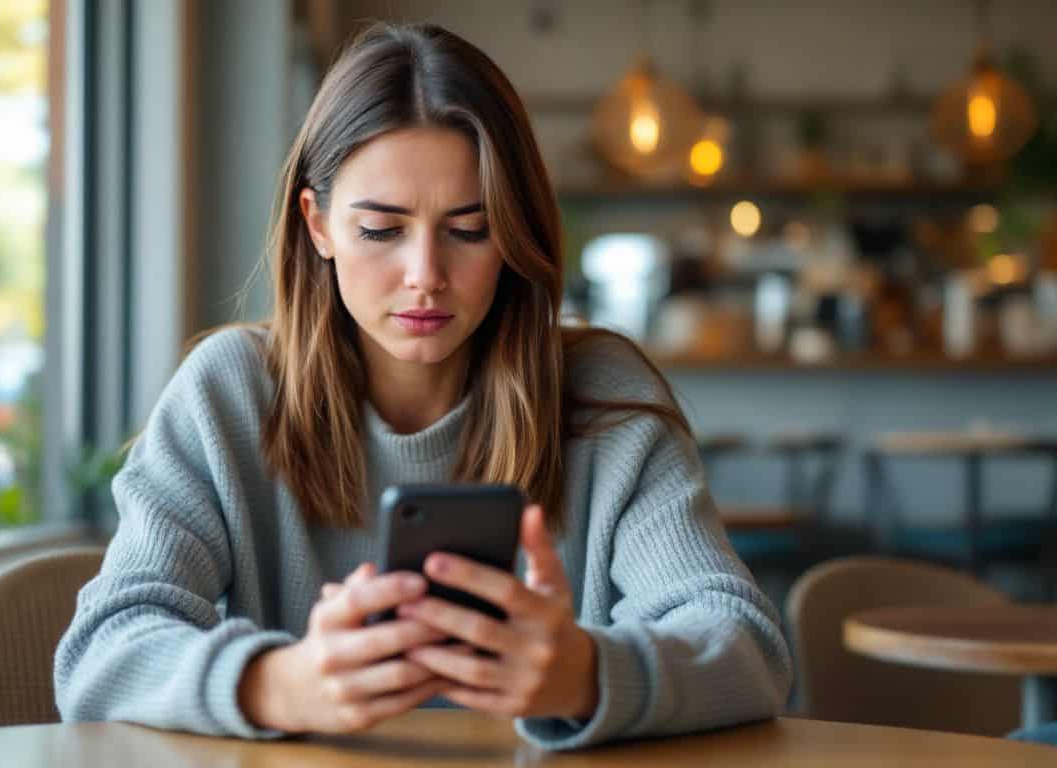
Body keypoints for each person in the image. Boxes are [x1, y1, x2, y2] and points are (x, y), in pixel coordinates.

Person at [54, 22, 790, 751]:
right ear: (318, 225)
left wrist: (586, 675)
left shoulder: (603, 397)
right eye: (381, 230)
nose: (425, 275)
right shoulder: (227, 394)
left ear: (513, 234)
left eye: (469, 230)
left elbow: (747, 646)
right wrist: (282, 683)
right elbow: (101, 653)